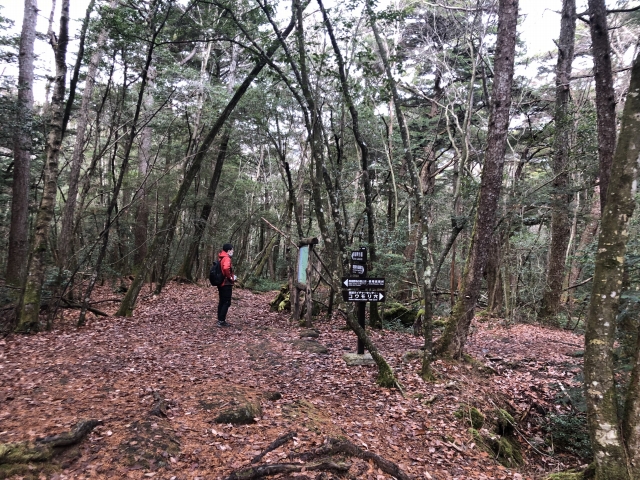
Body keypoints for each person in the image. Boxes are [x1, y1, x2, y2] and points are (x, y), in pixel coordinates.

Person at [217, 243, 236, 327]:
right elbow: (225, 268)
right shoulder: (227, 258)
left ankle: (220, 319)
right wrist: (230, 277)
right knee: (226, 302)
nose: (233, 251)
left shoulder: (221, 257)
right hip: (226, 283)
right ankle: (221, 321)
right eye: (232, 250)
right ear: (228, 251)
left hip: (221, 282)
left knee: (222, 301)